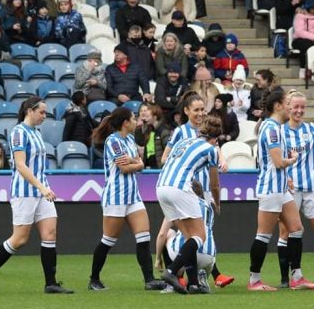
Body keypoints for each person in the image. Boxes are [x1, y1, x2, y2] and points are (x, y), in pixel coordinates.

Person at [0, 96, 74, 294]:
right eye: (41, 112)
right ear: (29, 111)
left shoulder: (36, 133)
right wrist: (41, 187)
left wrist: (43, 187)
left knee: (50, 233)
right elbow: (20, 165)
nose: (44, 116)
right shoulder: (18, 133)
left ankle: (50, 283)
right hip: (25, 192)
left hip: (41, 190)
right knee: (20, 239)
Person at [247, 89, 314, 291]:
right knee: (263, 234)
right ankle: (254, 280)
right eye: (288, 103)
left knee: (296, 228)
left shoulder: (275, 127)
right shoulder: (271, 128)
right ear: (278, 106)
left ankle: (297, 277)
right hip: (270, 188)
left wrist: (286, 175)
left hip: (281, 187)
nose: (290, 107)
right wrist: (292, 160)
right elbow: (278, 162)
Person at [86, 107, 165, 291]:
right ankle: (94, 279)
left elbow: (138, 162)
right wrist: (136, 163)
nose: (136, 120)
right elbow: (125, 168)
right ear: (125, 123)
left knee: (144, 237)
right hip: (115, 196)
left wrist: (134, 162)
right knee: (108, 240)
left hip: (133, 195)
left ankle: (149, 280)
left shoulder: (129, 139)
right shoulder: (113, 141)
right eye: (133, 118)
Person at [157, 114, 222, 294]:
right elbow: (215, 184)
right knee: (200, 236)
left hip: (161, 187)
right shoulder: (211, 149)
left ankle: (193, 284)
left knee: (189, 239)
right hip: (180, 188)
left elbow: (166, 160)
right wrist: (217, 203)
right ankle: (171, 272)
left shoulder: (182, 142)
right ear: (216, 138)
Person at [276, 91, 314, 288]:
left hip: (312, 189)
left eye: (302, 107)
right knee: (287, 233)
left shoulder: (311, 129)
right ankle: (288, 277)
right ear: (288, 106)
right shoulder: (280, 131)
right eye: (295, 106)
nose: (299, 110)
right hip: (289, 190)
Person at [155, 181, 217, 292]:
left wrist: (158, 258)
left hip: (182, 254)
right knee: (197, 240)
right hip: (209, 257)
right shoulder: (208, 206)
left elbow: (161, 234)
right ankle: (196, 281)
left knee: (170, 233)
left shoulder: (180, 202)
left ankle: (173, 280)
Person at [134, 103, 171, 168]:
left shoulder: (163, 131)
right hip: (149, 166)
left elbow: (168, 151)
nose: (145, 118)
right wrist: (139, 127)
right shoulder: (149, 129)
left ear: (155, 116)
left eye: (148, 116)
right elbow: (140, 142)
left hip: (160, 168)